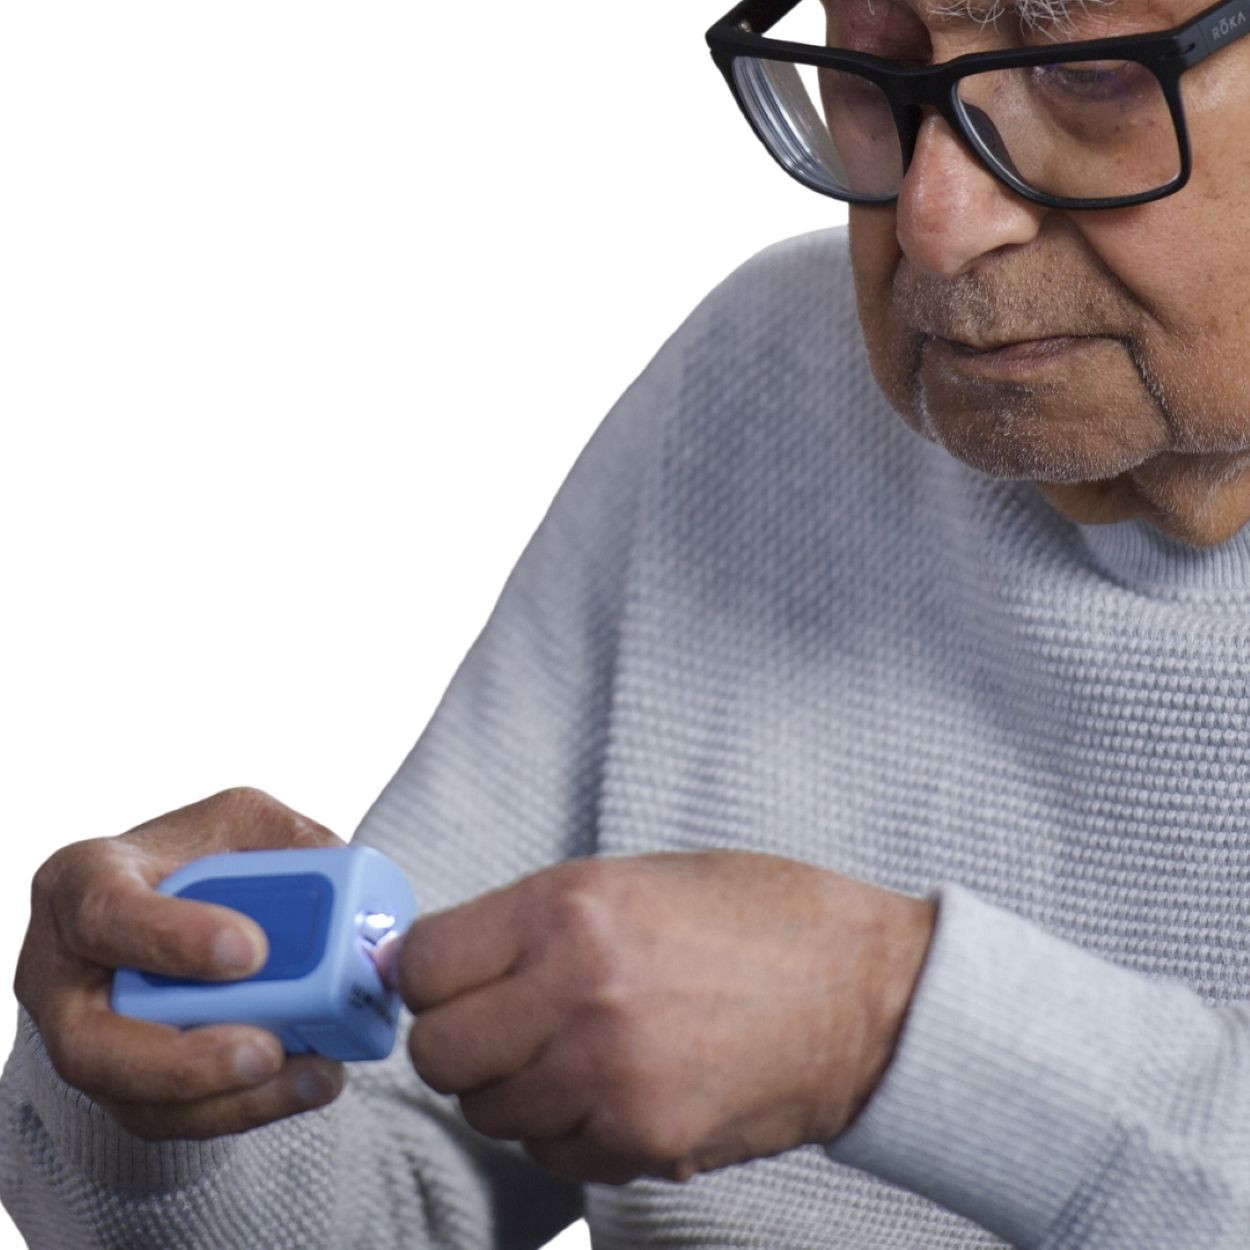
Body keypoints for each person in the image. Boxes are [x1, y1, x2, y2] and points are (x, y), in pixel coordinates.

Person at [4, 0, 1250, 1242]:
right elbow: (397, 1178)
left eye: (1086, 74)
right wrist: (163, 1093)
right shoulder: (763, 381)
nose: (935, 223)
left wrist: (894, 1026)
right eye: (874, 77)